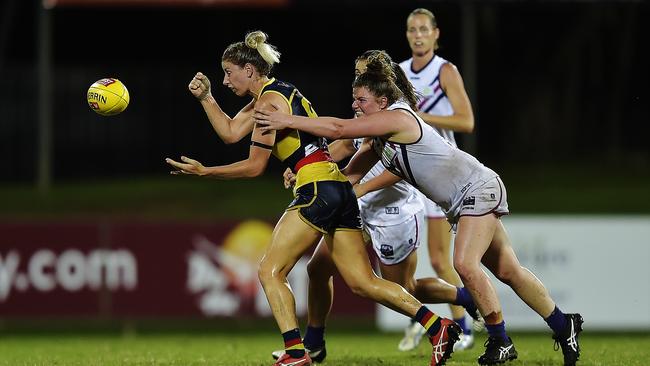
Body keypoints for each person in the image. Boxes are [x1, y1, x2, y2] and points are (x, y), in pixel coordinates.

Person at [254, 51, 584, 366]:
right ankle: (562, 322)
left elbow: (339, 129)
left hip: (476, 188)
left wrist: (287, 119)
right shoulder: (382, 136)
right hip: (463, 198)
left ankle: (500, 339)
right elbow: (348, 174)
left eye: (361, 99)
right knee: (508, 270)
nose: (355, 105)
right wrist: (305, 169)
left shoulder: (398, 117)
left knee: (463, 264)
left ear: (381, 99)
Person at [165, 31, 461, 366]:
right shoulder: (277, 92)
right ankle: (438, 326)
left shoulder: (268, 103)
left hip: (316, 189)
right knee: (363, 283)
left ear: (250, 70)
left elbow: (253, 166)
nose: (225, 80)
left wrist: (206, 172)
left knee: (269, 271)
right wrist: (206, 98)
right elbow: (232, 132)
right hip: (337, 186)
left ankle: (296, 352)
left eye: (228, 72)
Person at [271, 50, 482, 363]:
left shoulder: (396, 114)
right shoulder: (366, 104)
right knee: (318, 269)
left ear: (381, 80)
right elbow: (346, 145)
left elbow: (392, 166)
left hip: (393, 212)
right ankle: (313, 342)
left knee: (400, 288)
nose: (357, 83)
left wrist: (354, 187)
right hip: (358, 206)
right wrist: (308, 166)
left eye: (363, 74)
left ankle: (464, 297)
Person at [398, 8, 479, 352]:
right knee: (405, 258)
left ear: (435, 34)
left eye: (423, 30)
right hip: (407, 174)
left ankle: (463, 323)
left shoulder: (444, 71)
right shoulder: (398, 73)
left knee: (440, 257)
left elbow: (466, 121)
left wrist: (419, 117)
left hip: (442, 173)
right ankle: (423, 318)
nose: (418, 35)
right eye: (412, 30)